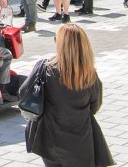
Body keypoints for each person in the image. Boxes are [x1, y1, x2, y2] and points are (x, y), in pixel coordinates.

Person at [19, 24, 113, 167]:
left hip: (49, 138)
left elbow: (24, 92)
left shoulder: (46, 69)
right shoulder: (89, 74)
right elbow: (95, 105)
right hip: (80, 139)